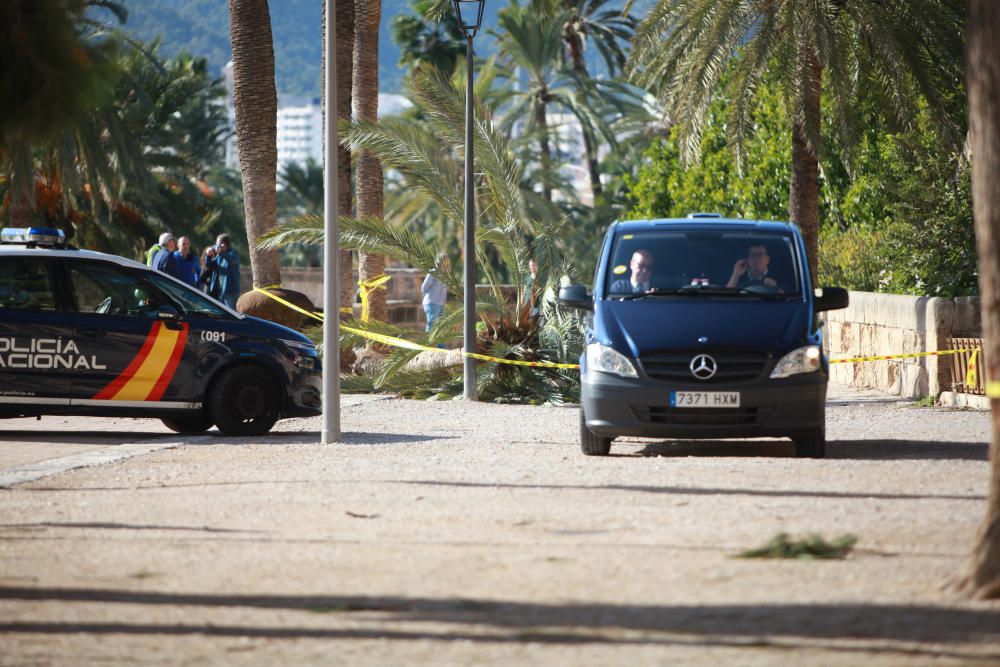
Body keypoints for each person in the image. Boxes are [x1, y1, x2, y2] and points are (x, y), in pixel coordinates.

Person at [204, 233, 241, 308]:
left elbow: (231, 260)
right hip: (221, 291)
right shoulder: (220, 255)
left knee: (232, 314)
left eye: (217, 243)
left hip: (231, 291)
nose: (215, 245)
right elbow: (211, 265)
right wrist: (208, 256)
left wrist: (221, 253)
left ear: (223, 244)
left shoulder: (233, 254)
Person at [421, 254, 448, 333]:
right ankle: (429, 344)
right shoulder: (433, 272)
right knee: (431, 325)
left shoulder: (446, 274)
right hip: (432, 303)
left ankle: (441, 346)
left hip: (441, 303)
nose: (446, 262)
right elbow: (424, 287)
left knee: (441, 326)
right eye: (444, 260)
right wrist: (429, 297)